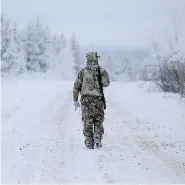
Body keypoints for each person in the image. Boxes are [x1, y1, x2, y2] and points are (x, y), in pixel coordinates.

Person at [73, 52, 110, 149]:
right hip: (98, 100)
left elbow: (76, 86)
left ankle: (89, 142)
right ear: (96, 59)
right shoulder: (101, 71)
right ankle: (97, 137)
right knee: (98, 120)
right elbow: (106, 83)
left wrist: (75, 100)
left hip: (86, 101)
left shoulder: (82, 72)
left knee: (87, 121)